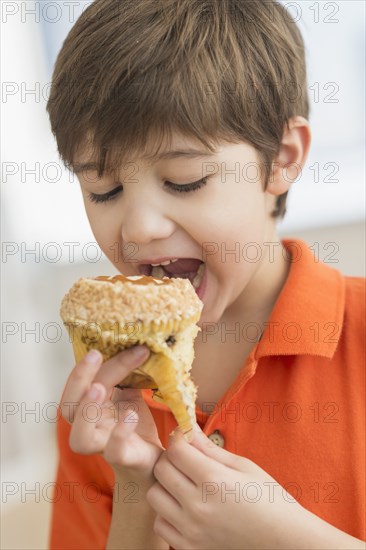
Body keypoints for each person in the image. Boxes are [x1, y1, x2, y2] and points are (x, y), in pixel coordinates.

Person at [46, 0, 365, 548]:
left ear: (282, 158)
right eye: (104, 190)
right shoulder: (102, 397)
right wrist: (136, 491)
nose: (140, 227)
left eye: (185, 180)